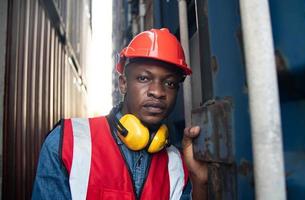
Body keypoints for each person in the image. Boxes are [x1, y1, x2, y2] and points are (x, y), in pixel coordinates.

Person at [32, 28, 208, 200]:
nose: (157, 91)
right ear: (123, 84)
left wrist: (199, 182)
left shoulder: (177, 164)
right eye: (144, 78)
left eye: (170, 83)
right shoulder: (67, 143)